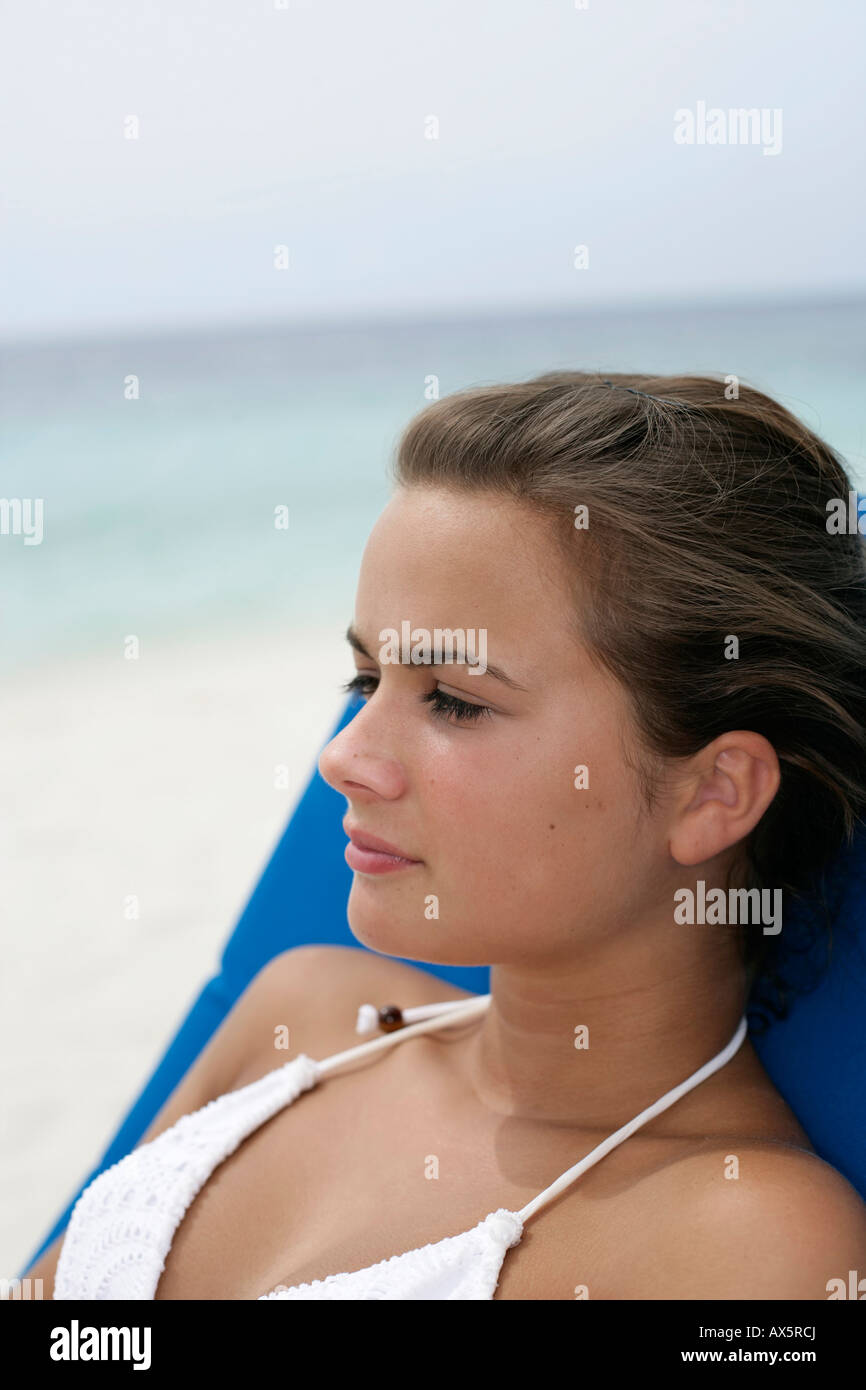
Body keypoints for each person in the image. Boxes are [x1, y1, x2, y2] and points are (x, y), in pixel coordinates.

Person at [20, 372, 866, 1299]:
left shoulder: (749, 1244)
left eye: (455, 700)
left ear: (712, 794)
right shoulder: (304, 1016)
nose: (343, 758)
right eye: (363, 680)